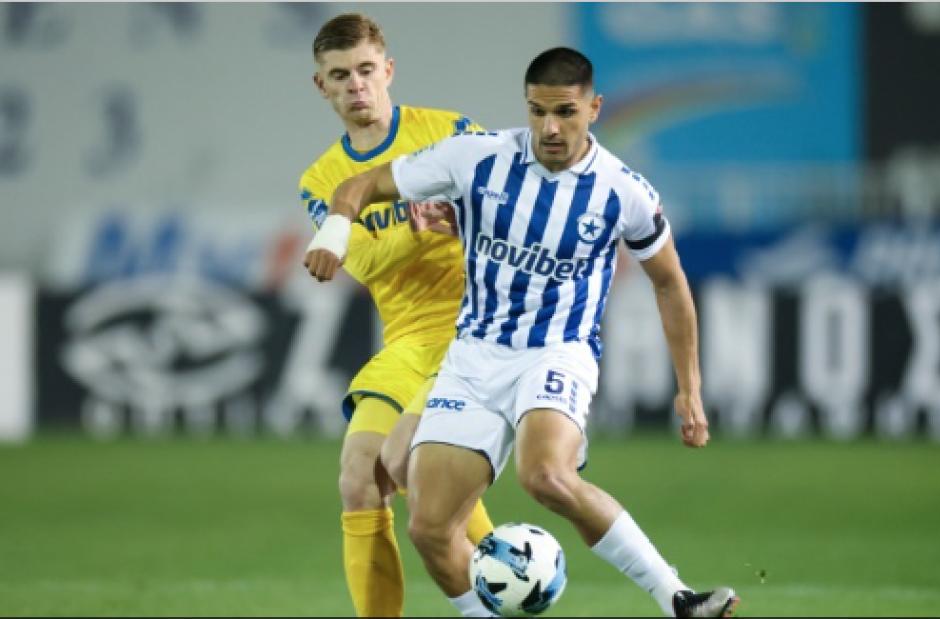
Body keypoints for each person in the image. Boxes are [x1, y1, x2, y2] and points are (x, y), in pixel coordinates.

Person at [305, 47, 739, 618]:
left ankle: (676, 597)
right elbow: (358, 187)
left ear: (595, 109)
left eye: (565, 112)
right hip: (473, 356)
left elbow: (670, 283)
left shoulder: (622, 190)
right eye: (538, 112)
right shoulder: (477, 157)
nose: (550, 128)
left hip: (556, 353)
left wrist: (690, 388)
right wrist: (336, 229)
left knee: (545, 476)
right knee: (429, 528)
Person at [298, 13, 494, 618]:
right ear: (321, 86)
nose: (356, 85)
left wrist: (465, 220)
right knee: (358, 478)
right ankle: (504, 570)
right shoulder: (322, 180)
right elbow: (363, 261)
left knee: (405, 462)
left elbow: (511, 204)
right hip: (407, 344)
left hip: (474, 332)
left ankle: (504, 570)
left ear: (388, 70)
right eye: (340, 75)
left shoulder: (451, 132)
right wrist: (416, 227)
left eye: (365, 70)